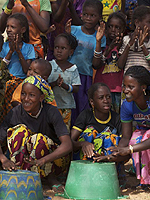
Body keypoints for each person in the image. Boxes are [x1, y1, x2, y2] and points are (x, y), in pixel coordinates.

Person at [0, 75, 72, 191]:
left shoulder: (51, 111)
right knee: (20, 131)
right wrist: (3, 159)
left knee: (39, 139)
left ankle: (50, 177)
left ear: (41, 97)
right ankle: (20, 173)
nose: (26, 99)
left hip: (52, 162)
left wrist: (43, 160)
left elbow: (67, 145)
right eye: (23, 94)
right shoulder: (16, 112)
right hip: (26, 162)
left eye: (31, 95)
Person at [95, 66, 150, 186]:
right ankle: (145, 180)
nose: (125, 90)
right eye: (124, 86)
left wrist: (129, 149)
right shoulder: (127, 106)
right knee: (135, 137)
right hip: (144, 136)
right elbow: (126, 137)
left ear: (143, 87)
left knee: (146, 136)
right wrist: (115, 153)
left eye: (131, 87)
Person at [66, 0, 106, 125]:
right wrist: (67, 36)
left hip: (85, 77)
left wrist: (98, 41)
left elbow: (95, 64)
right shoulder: (73, 30)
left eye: (92, 15)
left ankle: (80, 133)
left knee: (83, 106)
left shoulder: (100, 36)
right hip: (70, 75)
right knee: (68, 105)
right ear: (81, 15)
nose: (88, 18)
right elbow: (65, 53)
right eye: (85, 14)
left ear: (99, 17)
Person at [71, 82, 121, 160]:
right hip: (86, 161)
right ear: (92, 102)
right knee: (89, 134)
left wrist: (108, 157)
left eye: (108, 97)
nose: (106, 100)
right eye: (101, 98)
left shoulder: (116, 118)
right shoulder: (86, 115)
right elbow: (69, 142)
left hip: (109, 161)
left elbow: (123, 147)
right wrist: (82, 144)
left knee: (109, 138)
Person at [0, 13, 35, 123]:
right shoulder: (4, 46)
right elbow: (2, 68)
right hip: (4, 84)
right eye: (7, 27)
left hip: (19, 86)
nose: (9, 30)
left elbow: (27, 70)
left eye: (13, 27)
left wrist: (18, 52)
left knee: (15, 114)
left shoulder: (29, 48)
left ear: (23, 29)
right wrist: (11, 51)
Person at [94, 12, 126, 113]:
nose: (113, 30)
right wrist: (109, 49)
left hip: (118, 89)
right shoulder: (102, 44)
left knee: (117, 116)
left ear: (123, 30)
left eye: (117, 27)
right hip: (102, 88)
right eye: (110, 26)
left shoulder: (124, 46)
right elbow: (96, 64)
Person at [48, 33, 81, 131]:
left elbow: (76, 88)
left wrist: (64, 86)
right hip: (51, 106)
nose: (59, 50)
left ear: (70, 52)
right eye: (56, 47)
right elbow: (44, 86)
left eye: (63, 48)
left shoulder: (73, 68)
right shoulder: (49, 66)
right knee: (50, 129)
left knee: (63, 130)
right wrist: (54, 83)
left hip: (66, 107)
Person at [117, 5, 150, 73]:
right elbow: (120, 65)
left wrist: (142, 46)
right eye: (149, 22)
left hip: (145, 82)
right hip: (129, 81)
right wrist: (130, 43)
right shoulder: (127, 39)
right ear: (137, 23)